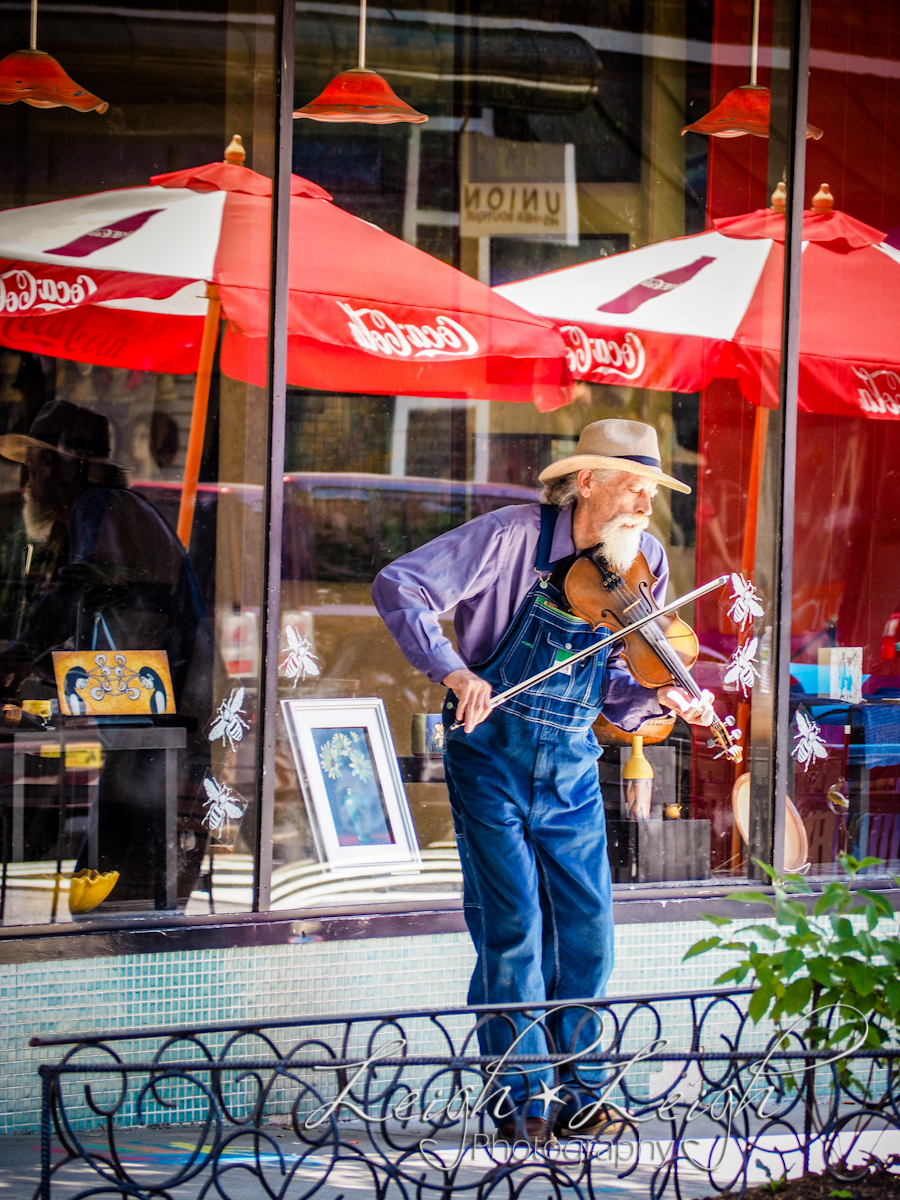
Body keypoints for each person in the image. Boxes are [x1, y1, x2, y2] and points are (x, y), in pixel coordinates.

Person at [372, 418, 716, 1142]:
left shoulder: (642, 555)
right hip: (490, 753)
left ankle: (583, 1091)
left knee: (588, 929)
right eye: (634, 486)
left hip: (570, 765)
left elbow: (618, 687)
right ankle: (519, 1098)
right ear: (587, 481)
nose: (645, 506)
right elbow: (400, 583)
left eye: (653, 490)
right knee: (514, 928)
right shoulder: (509, 537)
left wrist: (664, 697)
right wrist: (454, 670)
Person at [0, 399, 214, 911]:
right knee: (126, 832)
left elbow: (81, 587)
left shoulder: (97, 505)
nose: (27, 484)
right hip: (159, 701)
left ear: (51, 465)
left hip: (157, 703)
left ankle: (111, 926)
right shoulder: (116, 508)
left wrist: (23, 654)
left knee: (126, 834)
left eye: (31, 468)